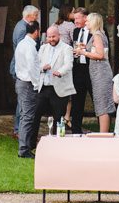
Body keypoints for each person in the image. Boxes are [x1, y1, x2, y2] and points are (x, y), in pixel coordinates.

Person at [10, 23, 46, 158]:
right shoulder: (30, 46)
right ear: (37, 32)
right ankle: (24, 149)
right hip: (27, 83)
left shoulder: (22, 44)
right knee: (28, 117)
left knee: (25, 114)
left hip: (21, 81)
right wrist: (37, 83)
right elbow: (31, 67)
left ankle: (24, 147)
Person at [36, 25, 77, 136]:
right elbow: (36, 65)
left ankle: (57, 141)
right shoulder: (43, 48)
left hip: (59, 87)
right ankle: (31, 143)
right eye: (49, 37)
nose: (51, 39)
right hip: (44, 86)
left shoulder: (66, 48)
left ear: (59, 35)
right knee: (35, 114)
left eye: (53, 36)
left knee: (58, 117)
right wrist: (42, 68)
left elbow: (68, 65)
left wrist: (60, 72)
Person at [80, 11, 116, 133]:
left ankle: (103, 134)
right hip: (99, 71)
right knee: (101, 101)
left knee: (102, 103)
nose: (86, 22)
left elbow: (100, 55)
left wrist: (83, 52)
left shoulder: (97, 35)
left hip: (101, 72)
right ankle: (104, 132)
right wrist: (85, 48)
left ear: (94, 22)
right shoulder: (99, 34)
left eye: (88, 20)